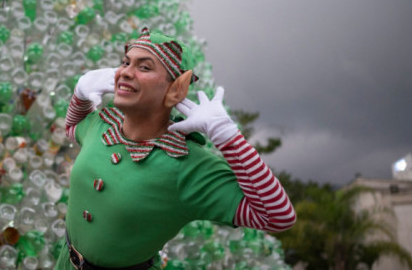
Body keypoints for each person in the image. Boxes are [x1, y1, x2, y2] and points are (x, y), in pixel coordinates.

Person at [55, 27, 296, 269]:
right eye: (125, 62)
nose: (126, 73)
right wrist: (81, 93)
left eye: (144, 67)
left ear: (176, 89)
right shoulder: (102, 124)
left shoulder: (187, 165)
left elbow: (277, 216)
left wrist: (228, 137)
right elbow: (72, 127)